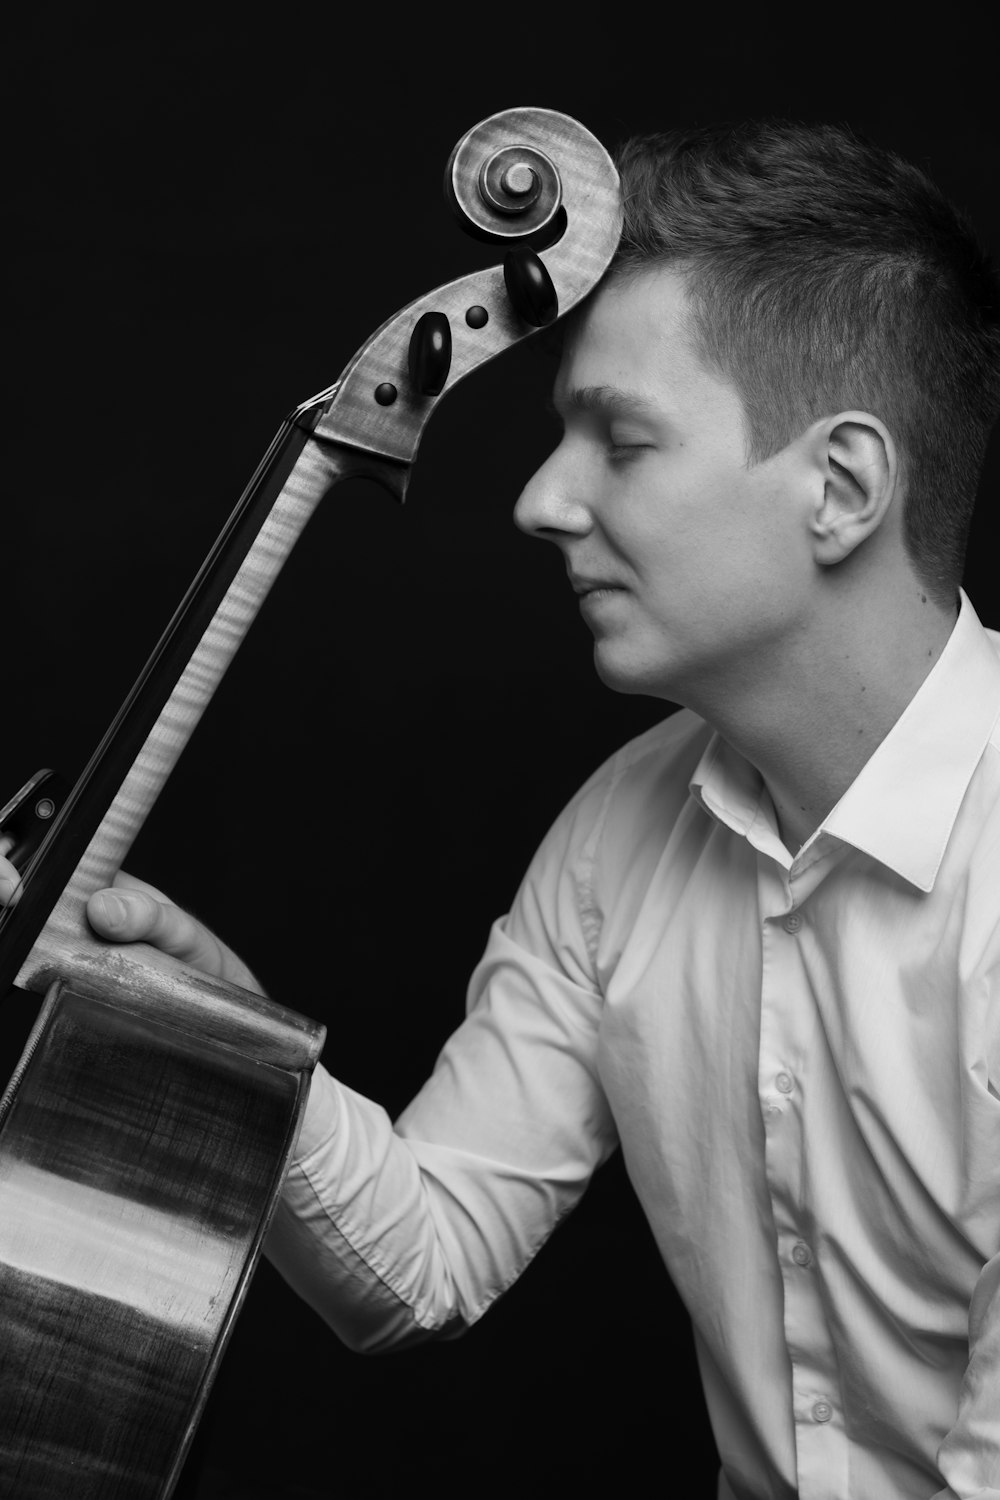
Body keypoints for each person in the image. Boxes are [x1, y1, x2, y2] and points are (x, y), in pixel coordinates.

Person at [3, 120, 998, 1499]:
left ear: (839, 488)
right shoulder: (622, 831)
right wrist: (226, 1049)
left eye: (623, 441)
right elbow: (423, 1261)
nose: (539, 500)